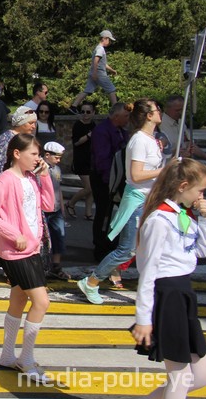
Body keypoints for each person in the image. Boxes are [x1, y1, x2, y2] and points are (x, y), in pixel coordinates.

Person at [124, 158, 206, 399]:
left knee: (204, 373)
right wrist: (143, 318)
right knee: (181, 375)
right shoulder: (159, 220)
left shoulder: (184, 215)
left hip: (184, 293)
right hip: (168, 295)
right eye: (200, 190)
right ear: (183, 186)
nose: (202, 195)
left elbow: (202, 251)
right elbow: (148, 271)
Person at [0, 133, 55, 382]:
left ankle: (7, 355)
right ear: (16, 154)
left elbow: (48, 205)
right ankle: (26, 357)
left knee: (19, 300)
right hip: (15, 251)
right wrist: (14, 233)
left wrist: (45, 177)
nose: (38, 158)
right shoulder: (6, 180)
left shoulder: (31, 178)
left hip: (31, 249)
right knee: (42, 302)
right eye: (33, 154)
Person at [78, 99, 165, 304]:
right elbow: (135, 175)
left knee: (147, 246)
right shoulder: (139, 141)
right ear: (148, 116)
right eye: (156, 110)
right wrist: (164, 170)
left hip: (149, 200)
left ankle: (150, 287)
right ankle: (91, 281)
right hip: (137, 201)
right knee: (126, 250)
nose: (160, 112)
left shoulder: (150, 139)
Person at [89, 102, 131, 261]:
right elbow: (102, 158)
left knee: (118, 212)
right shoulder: (102, 131)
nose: (128, 119)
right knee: (103, 212)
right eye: (125, 116)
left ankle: (111, 243)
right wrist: (110, 182)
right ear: (116, 117)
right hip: (105, 179)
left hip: (119, 178)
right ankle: (100, 246)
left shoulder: (122, 131)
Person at [70, 30, 119, 113]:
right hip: (99, 74)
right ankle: (116, 109)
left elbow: (103, 64)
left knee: (87, 90)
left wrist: (112, 70)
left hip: (94, 73)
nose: (109, 42)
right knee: (111, 89)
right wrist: (95, 73)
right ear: (105, 38)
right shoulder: (100, 49)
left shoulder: (97, 48)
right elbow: (96, 60)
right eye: (109, 40)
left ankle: (73, 106)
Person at [41, 141, 70, 281]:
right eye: (56, 157)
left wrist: (62, 207)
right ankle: (42, 267)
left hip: (56, 209)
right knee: (43, 239)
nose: (58, 160)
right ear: (47, 155)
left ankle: (56, 266)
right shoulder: (40, 169)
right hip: (44, 209)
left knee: (59, 236)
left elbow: (59, 189)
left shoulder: (57, 170)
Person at [67, 102, 96, 221]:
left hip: (91, 160)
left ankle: (88, 213)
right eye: (82, 112)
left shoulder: (94, 124)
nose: (85, 114)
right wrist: (89, 136)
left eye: (88, 112)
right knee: (88, 187)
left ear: (93, 113)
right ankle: (71, 203)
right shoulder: (78, 125)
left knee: (92, 188)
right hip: (80, 160)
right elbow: (76, 142)